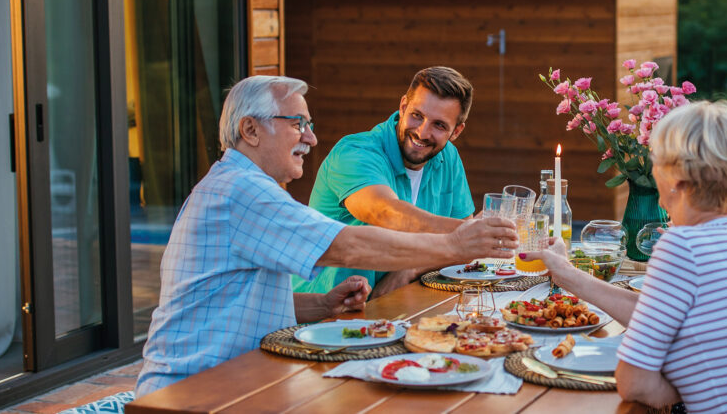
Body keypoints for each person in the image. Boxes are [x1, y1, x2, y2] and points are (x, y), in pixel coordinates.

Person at [135, 76, 515, 397]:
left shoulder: (240, 185)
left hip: (231, 378)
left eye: (309, 124)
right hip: (192, 390)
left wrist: (321, 305)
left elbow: (234, 298)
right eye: (297, 124)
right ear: (250, 130)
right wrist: (455, 243)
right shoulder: (243, 193)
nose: (311, 138)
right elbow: (347, 243)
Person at [523, 101, 727, 413]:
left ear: (672, 177)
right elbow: (655, 314)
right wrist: (565, 272)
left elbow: (634, 385)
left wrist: (691, 382)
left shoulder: (682, 245)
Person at [298, 66, 476, 298]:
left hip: (393, 306)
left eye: (439, 125)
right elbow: (386, 212)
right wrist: (469, 233)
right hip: (322, 315)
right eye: (417, 115)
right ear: (403, 107)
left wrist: (409, 269)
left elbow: (461, 251)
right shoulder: (355, 153)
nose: (422, 132)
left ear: (456, 131)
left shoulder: (448, 156)